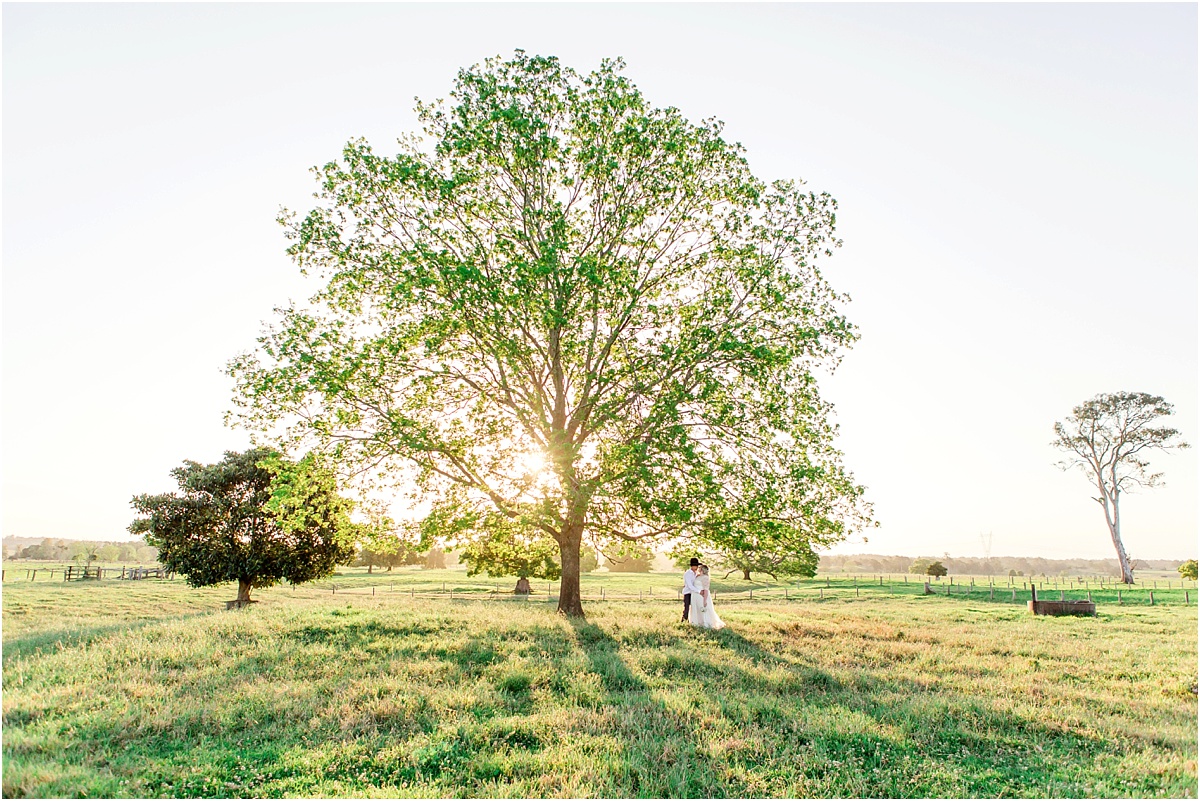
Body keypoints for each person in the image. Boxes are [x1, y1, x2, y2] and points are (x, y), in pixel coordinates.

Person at [688, 564, 726, 629]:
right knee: (696, 609)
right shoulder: (698, 576)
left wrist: (705, 600)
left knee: (702, 609)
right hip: (695, 596)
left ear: (703, 569)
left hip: (701, 596)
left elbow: (706, 589)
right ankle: (696, 623)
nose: (698, 568)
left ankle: (705, 623)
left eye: (700, 568)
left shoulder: (705, 577)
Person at [682, 557, 701, 622]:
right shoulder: (688, 574)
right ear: (692, 566)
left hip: (694, 593)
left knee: (694, 608)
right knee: (687, 607)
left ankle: (693, 620)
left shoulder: (695, 573)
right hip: (688, 593)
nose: (697, 567)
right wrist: (699, 591)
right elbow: (690, 586)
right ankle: (684, 620)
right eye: (696, 566)